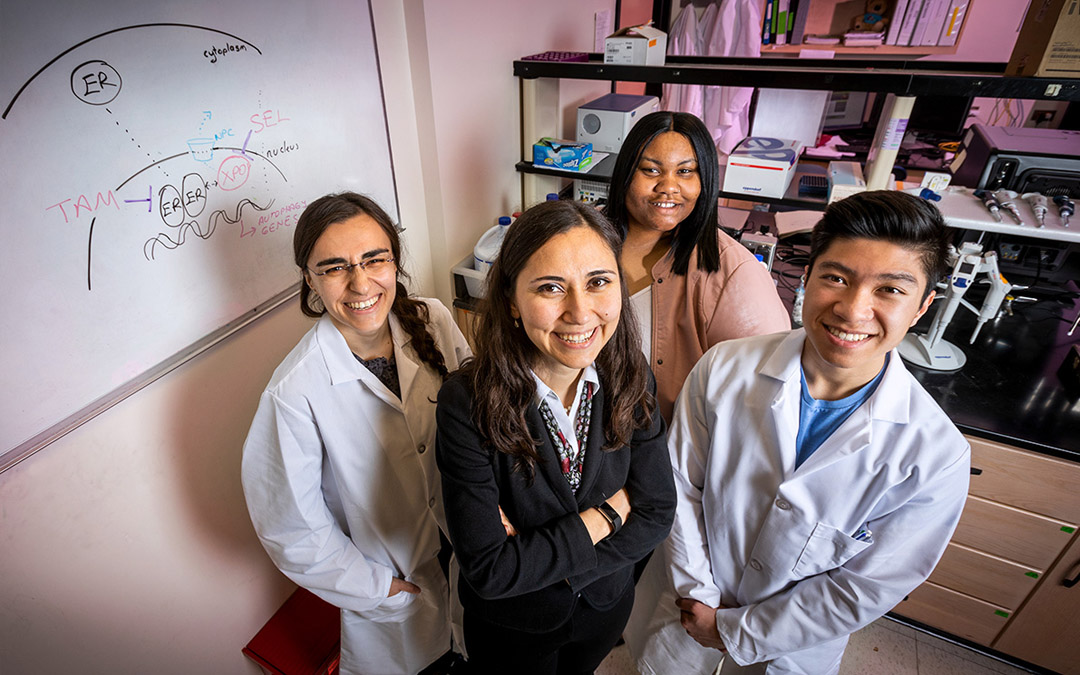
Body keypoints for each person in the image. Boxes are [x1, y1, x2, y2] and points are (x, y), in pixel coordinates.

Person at [636, 190, 972, 674]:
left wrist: (734, 631)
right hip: (684, 613)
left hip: (792, 650)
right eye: (836, 278)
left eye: (890, 290)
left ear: (922, 306)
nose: (854, 310)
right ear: (805, 278)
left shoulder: (934, 454)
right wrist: (699, 599)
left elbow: (867, 585)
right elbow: (679, 486)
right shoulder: (725, 369)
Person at [435, 199, 676, 674]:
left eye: (599, 282)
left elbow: (656, 512)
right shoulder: (467, 402)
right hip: (514, 629)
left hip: (604, 609)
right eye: (550, 288)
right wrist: (608, 515)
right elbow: (490, 570)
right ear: (510, 299)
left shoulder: (630, 374)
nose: (580, 312)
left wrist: (535, 555)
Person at [241, 192, 470, 675]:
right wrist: (377, 590)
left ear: (394, 261)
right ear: (310, 280)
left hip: (471, 556)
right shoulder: (294, 391)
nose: (360, 282)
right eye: (334, 267)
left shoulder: (433, 319)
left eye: (374, 259)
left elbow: (476, 424)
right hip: (399, 590)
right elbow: (291, 529)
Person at [604, 110, 790, 422]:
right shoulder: (586, 239)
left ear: (704, 180)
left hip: (662, 449)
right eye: (651, 170)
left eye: (686, 172)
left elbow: (765, 395)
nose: (668, 187)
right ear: (626, 173)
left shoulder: (733, 270)